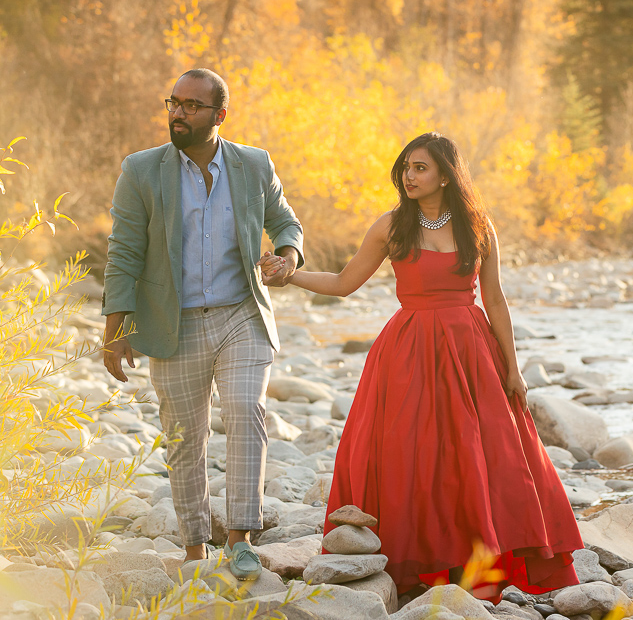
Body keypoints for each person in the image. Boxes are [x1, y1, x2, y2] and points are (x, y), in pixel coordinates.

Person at [284, 132, 581, 599]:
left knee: (477, 457)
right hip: (410, 351)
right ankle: (414, 558)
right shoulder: (391, 226)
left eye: (420, 167)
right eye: (405, 167)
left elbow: (496, 300)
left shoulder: (478, 225)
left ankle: (478, 568)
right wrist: (290, 276)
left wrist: (513, 368)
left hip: (471, 352)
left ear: (446, 173)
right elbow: (344, 282)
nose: (409, 175)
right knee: (414, 454)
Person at [101, 69, 304, 581]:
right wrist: (114, 326)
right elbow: (123, 250)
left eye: (192, 106)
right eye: (174, 102)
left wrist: (288, 256)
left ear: (220, 115)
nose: (179, 113)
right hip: (174, 322)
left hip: (242, 313)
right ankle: (195, 548)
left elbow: (285, 222)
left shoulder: (253, 164)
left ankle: (241, 539)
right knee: (184, 437)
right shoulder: (141, 170)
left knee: (244, 408)